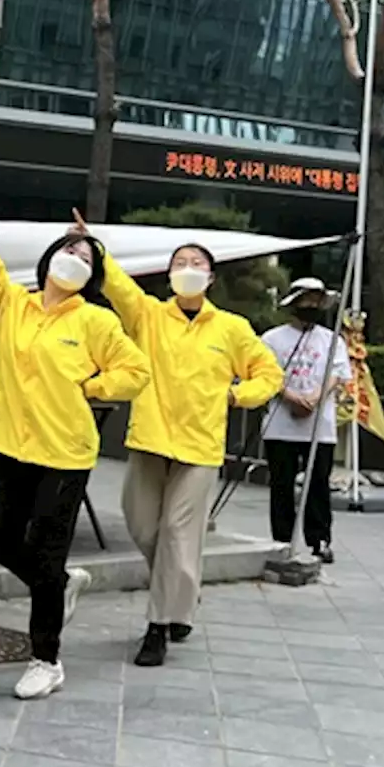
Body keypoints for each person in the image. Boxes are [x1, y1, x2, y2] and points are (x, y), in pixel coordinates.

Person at [0, 160, 151, 699]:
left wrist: (91, 388)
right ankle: (62, 585)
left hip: (66, 453)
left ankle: (46, 658)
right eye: (69, 250)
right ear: (49, 259)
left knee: (47, 555)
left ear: (93, 276)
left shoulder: (96, 321)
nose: (75, 259)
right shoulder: (12, 306)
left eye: (86, 256)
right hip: (11, 445)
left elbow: (135, 371)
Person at [90, 219, 284, 667]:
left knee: (179, 533)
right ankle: (182, 597)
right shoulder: (149, 316)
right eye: (180, 262)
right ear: (170, 273)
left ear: (211, 277)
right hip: (150, 439)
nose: (188, 268)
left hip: (199, 448)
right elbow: (118, 288)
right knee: (142, 526)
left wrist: (238, 395)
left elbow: (269, 374)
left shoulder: (231, 328)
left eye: (197, 263)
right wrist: (93, 249)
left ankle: (158, 626)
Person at [261, 277, 350, 564]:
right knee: (281, 484)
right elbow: (265, 375)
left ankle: (319, 539)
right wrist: (291, 397)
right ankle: (281, 540)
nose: (312, 305)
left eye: (317, 300)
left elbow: (338, 374)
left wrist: (314, 397)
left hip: (319, 426)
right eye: (307, 299)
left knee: (318, 485)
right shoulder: (272, 339)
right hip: (280, 424)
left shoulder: (332, 339)